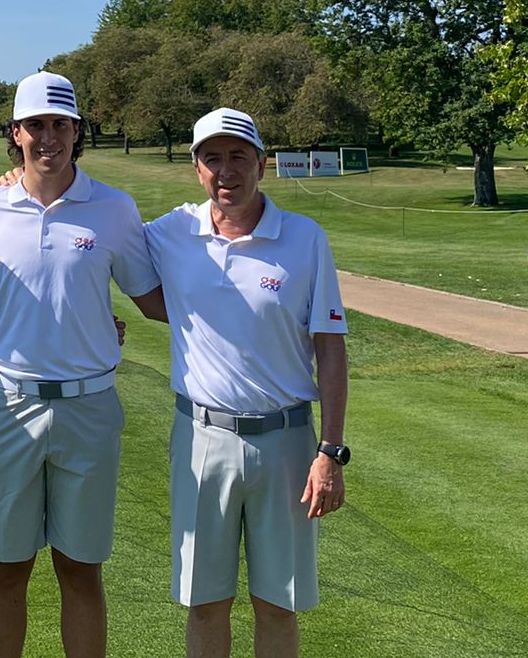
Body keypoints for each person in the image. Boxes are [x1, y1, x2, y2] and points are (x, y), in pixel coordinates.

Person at [0, 71, 166, 658]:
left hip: (89, 408)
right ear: (16, 133)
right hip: (8, 405)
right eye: (36, 126)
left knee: (81, 569)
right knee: (7, 567)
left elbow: (151, 299)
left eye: (60, 124)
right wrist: (22, 326)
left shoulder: (114, 208)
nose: (48, 137)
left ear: (77, 131)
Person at [143, 108, 349, 658]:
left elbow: (330, 346)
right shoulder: (171, 232)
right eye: (212, 158)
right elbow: (96, 248)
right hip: (201, 440)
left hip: (288, 444)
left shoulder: (304, 238)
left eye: (238, 156)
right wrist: (19, 178)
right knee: (205, 603)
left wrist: (330, 451)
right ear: (197, 169)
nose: (226, 170)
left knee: (278, 604)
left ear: (262, 163)